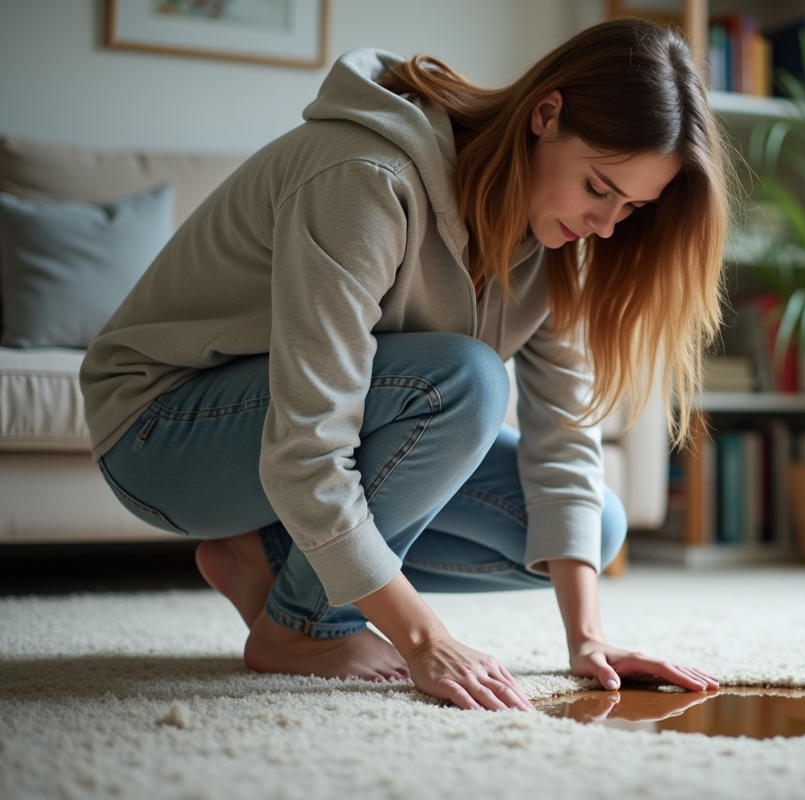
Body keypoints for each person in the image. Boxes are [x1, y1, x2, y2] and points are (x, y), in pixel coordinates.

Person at [80, 18, 731, 712]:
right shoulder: (366, 176)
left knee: (592, 529)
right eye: (599, 187)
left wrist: (589, 639)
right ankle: (304, 628)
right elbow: (308, 446)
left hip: (274, 448)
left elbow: (565, 437)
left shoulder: (562, 241)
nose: (607, 224)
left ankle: (262, 558)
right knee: (466, 382)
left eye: (631, 206)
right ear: (546, 115)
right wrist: (425, 639)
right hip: (160, 433)